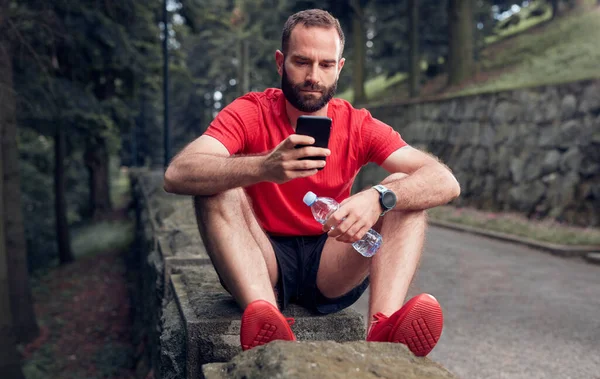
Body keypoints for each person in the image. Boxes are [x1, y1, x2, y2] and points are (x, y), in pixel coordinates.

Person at [163, 9, 460, 357]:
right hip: (260, 260)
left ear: (340, 67)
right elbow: (178, 173)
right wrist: (263, 166)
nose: (313, 77)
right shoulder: (250, 112)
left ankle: (384, 328)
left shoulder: (357, 124)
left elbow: (445, 181)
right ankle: (266, 321)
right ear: (280, 62)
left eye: (325, 65)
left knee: (402, 189)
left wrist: (379, 197)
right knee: (216, 181)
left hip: (331, 264)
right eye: (301, 62)